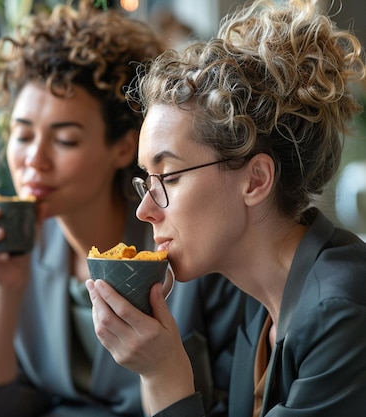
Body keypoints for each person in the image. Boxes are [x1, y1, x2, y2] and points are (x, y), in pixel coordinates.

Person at [0, 1, 248, 416]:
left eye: (65, 139)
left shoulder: (190, 248)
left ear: (124, 147)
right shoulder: (28, 250)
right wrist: (4, 289)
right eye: (22, 136)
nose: (33, 160)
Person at [86, 0, 366, 416]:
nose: (145, 209)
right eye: (148, 179)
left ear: (255, 180)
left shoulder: (341, 312)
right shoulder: (261, 308)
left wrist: (163, 374)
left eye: (172, 177)